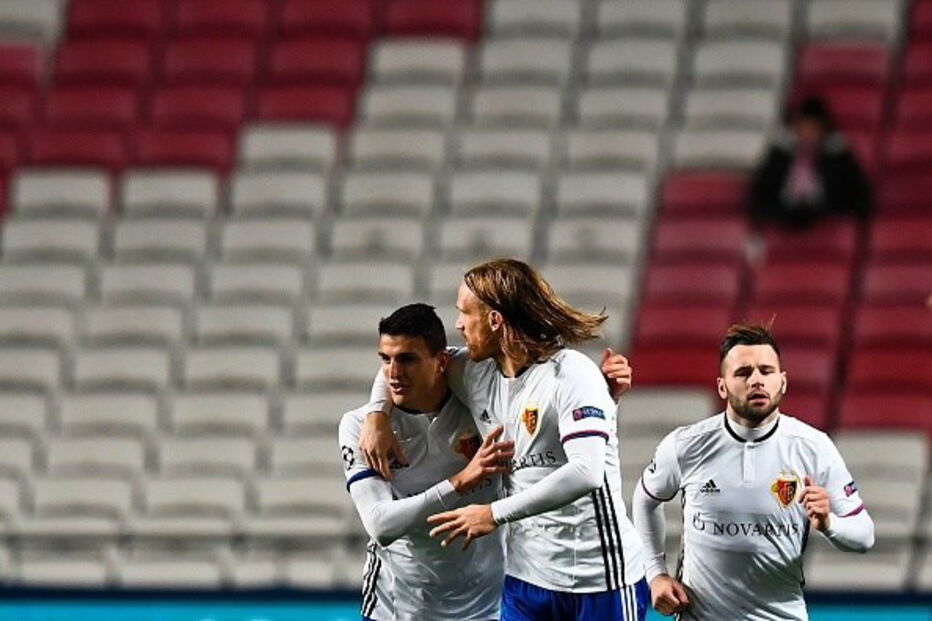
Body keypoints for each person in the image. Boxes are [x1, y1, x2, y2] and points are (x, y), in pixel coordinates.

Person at [361, 259, 648, 621]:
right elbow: (407, 358)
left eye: (465, 313)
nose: (458, 324)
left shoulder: (572, 374)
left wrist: (493, 514)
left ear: (494, 320)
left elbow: (586, 473)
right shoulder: (473, 372)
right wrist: (376, 415)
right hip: (525, 579)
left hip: (599, 577)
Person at [632, 324, 874, 620]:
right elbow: (645, 499)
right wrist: (655, 574)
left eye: (766, 371)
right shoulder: (686, 445)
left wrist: (828, 523)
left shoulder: (813, 447)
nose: (757, 380)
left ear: (782, 382)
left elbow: (865, 536)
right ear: (722, 386)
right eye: (743, 372)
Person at [339, 303, 515, 620]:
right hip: (396, 604)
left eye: (407, 359)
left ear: (441, 361)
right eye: (385, 359)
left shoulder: (480, 407)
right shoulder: (358, 427)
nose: (394, 372)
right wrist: (460, 482)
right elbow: (380, 524)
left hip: (485, 604)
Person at [748, 96, 871, 230]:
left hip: (826, 222)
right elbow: (758, 196)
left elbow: (860, 198)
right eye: (802, 126)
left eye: (812, 126)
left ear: (823, 128)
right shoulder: (780, 154)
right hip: (784, 219)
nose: (807, 132)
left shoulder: (837, 155)